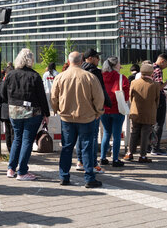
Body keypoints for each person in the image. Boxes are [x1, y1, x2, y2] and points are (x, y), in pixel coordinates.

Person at [51, 51, 105, 188]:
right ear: (82, 61)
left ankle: (64, 176)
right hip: (86, 117)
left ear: (69, 62)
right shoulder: (90, 77)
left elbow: (53, 97)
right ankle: (89, 178)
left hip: (67, 117)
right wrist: (99, 111)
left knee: (67, 147)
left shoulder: (60, 77)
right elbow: (99, 97)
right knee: (87, 147)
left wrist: (57, 109)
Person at [4, 49, 48, 181]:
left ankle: (11, 169)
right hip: (31, 112)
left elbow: (2, 92)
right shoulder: (35, 76)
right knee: (27, 140)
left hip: (13, 111)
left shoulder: (11, 74)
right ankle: (22, 171)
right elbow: (42, 97)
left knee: (17, 138)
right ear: (31, 60)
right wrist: (46, 114)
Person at [77, 49, 109, 173]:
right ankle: (93, 163)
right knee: (93, 137)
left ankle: (80, 161)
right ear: (90, 58)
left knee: (81, 137)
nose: (98, 59)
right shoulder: (95, 72)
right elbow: (100, 91)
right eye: (96, 57)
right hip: (92, 109)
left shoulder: (79, 70)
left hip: (79, 108)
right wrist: (100, 108)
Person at [126, 63, 161, 163]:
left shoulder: (134, 83)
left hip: (135, 111)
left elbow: (130, 97)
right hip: (149, 112)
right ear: (151, 73)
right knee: (145, 134)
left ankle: (130, 153)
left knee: (134, 132)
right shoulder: (155, 85)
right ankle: (143, 155)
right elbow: (157, 100)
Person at [101, 56, 129, 166]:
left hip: (104, 109)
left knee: (106, 133)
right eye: (119, 64)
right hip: (117, 109)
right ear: (115, 65)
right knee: (117, 134)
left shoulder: (101, 77)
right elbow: (126, 95)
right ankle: (115, 159)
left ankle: (103, 157)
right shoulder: (122, 78)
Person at [150, 53, 167, 156]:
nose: (166, 67)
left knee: (150, 124)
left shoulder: (149, 68)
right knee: (159, 123)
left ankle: (149, 146)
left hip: (149, 99)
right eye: (166, 64)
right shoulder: (158, 70)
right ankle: (155, 147)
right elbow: (158, 87)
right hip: (158, 98)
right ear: (162, 61)